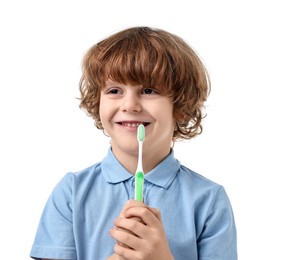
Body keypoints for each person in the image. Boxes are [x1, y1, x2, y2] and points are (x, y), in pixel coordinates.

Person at [30, 26, 237, 260]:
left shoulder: (208, 200)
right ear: (97, 102)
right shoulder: (72, 192)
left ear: (180, 107)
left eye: (148, 90)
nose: (130, 105)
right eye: (115, 90)